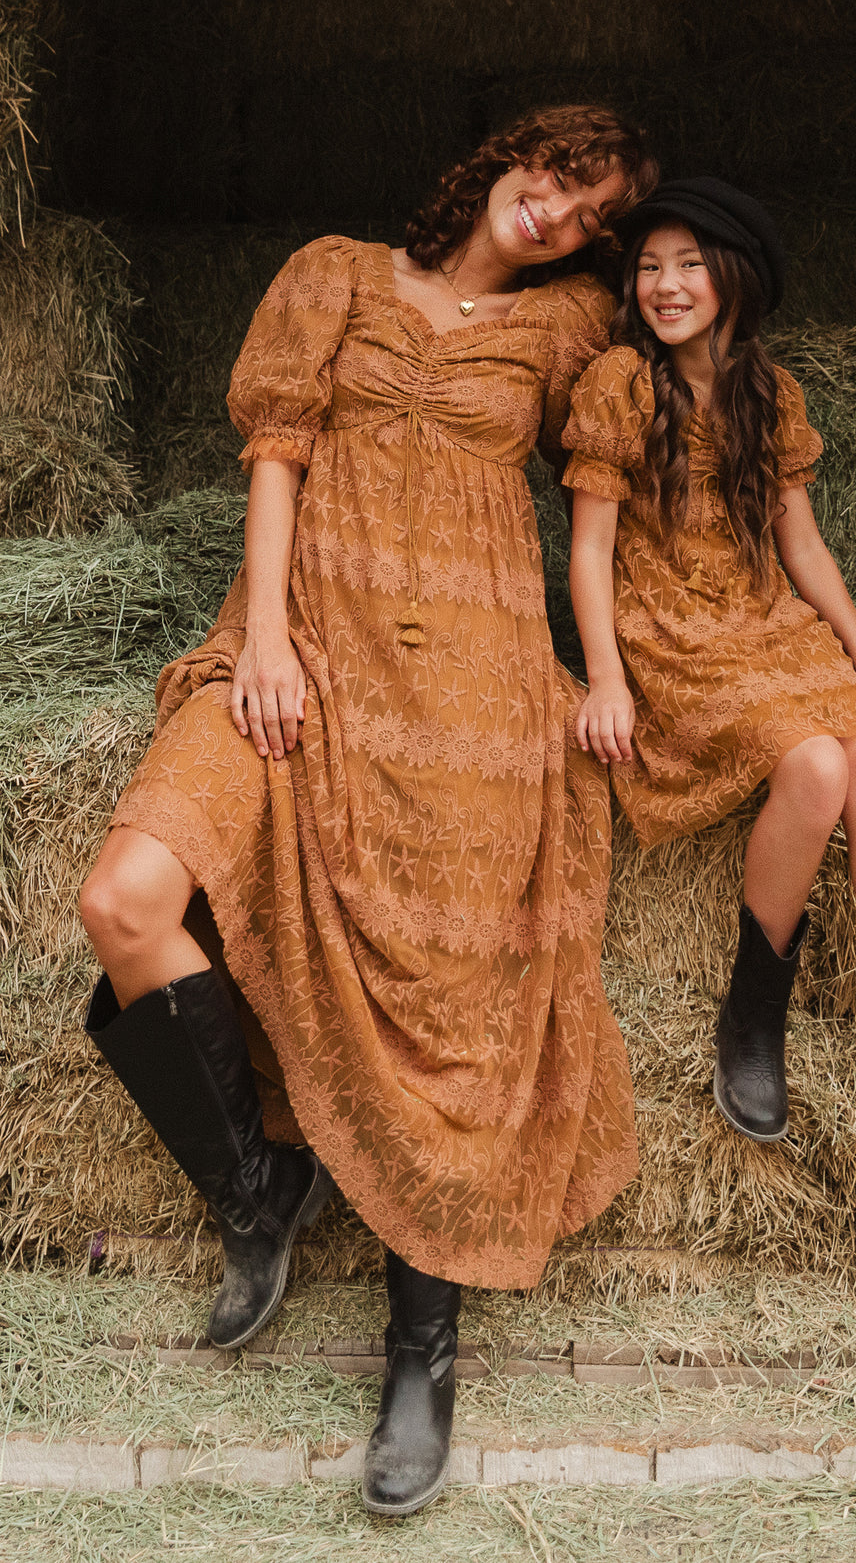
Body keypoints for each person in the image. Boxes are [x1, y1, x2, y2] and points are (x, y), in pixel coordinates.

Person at [78, 105, 658, 1518]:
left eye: (596, 214)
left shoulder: (578, 326)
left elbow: (681, 375)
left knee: (458, 1003)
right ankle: (260, 1192)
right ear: (513, 156)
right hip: (299, 652)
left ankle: (422, 1355)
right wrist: (266, 641)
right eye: (563, 178)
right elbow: (274, 456)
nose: (565, 214)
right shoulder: (331, 274)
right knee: (126, 897)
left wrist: (647, 660)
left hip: (472, 690)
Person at [565, 177, 856, 1147]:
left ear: (734, 277)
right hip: (670, 632)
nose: (666, 284)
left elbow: (804, 546)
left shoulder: (769, 392)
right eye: (650, 267)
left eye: (688, 264)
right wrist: (608, 677)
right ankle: (754, 1013)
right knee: (819, 763)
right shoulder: (617, 381)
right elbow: (590, 550)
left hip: (764, 621)